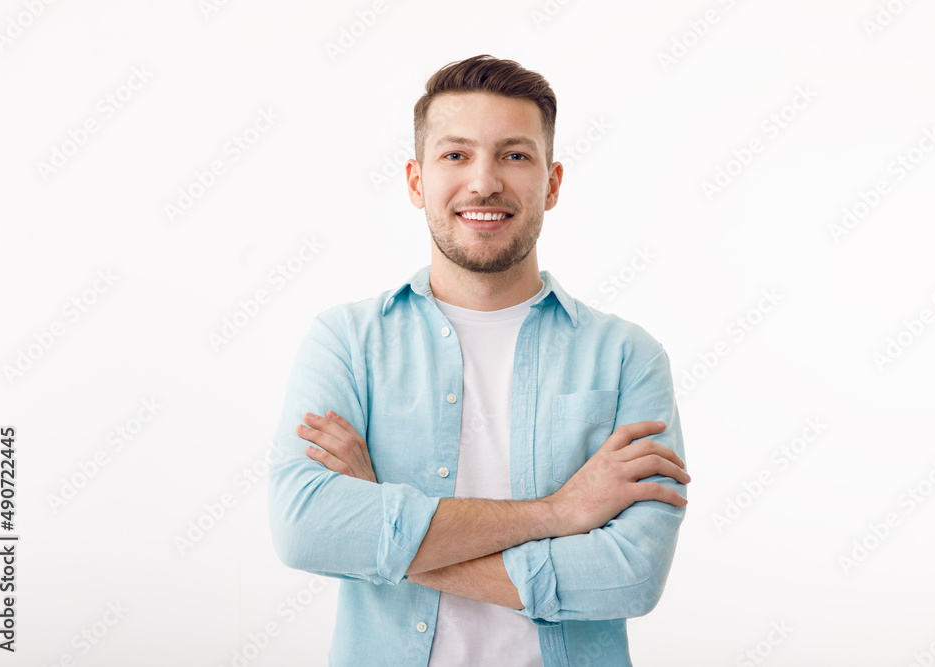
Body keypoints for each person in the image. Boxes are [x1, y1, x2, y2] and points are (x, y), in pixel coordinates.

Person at [268, 54, 691, 667]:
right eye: (456, 155)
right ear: (416, 181)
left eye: (515, 155)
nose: (484, 182)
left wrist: (383, 522)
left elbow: (629, 578)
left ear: (552, 182)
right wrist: (558, 513)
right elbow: (307, 530)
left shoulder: (629, 357)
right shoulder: (348, 342)